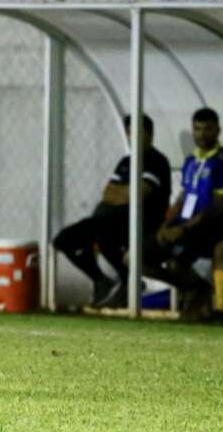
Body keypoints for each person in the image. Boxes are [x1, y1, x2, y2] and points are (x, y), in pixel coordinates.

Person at [52, 115, 171, 308]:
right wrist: (127, 192)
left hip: (143, 225)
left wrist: (125, 192)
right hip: (111, 221)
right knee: (63, 240)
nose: (135, 137)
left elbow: (139, 193)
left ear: (150, 134)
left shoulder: (157, 161)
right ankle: (104, 281)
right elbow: (108, 193)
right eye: (131, 133)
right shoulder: (126, 161)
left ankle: (128, 283)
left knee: (100, 236)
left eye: (140, 132)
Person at [139, 108, 223, 317]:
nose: (202, 134)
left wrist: (183, 229)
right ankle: (195, 290)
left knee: (179, 259)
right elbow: (183, 197)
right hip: (184, 227)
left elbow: (218, 207)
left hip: (208, 228)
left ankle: (211, 302)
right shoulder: (191, 160)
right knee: (135, 258)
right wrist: (165, 226)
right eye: (197, 129)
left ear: (218, 130)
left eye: (208, 129)